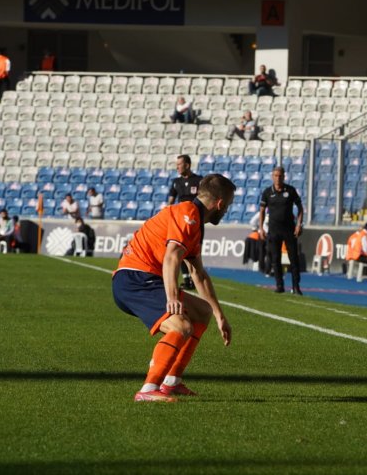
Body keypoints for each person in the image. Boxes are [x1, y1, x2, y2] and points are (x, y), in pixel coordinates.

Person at [112, 174, 235, 402]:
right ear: (220, 204)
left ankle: (171, 382)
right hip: (135, 279)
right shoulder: (187, 214)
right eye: (228, 205)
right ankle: (148, 389)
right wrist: (172, 298)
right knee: (181, 325)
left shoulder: (195, 222)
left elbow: (198, 274)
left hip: (144, 278)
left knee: (201, 311)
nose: (227, 210)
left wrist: (219, 315)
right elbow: (171, 257)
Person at [259, 166, 304, 295]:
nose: (278, 178)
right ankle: (279, 285)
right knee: (275, 259)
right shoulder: (267, 192)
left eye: (280, 176)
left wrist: (299, 225)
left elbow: (300, 208)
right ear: (272, 176)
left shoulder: (290, 191)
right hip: (273, 230)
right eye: (275, 175)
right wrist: (261, 228)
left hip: (289, 229)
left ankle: (296, 287)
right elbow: (262, 211)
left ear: (284, 176)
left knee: (294, 258)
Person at [167, 155, 203, 290]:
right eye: (176, 165)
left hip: (194, 220)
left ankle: (196, 278)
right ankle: (187, 279)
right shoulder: (176, 182)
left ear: (187, 165)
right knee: (180, 248)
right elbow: (171, 201)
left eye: (179, 164)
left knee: (194, 250)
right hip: (180, 221)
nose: (177, 167)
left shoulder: (199, 180)